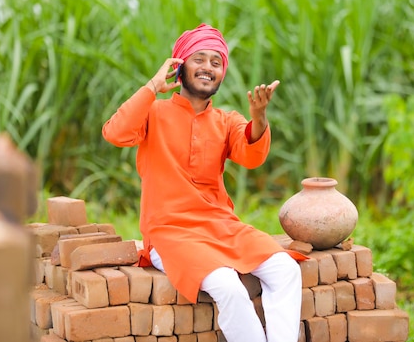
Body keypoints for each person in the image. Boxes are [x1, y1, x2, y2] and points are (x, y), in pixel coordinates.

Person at [102, 23, 306, 342]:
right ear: (179, 66)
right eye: (199, 59)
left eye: (216, 62)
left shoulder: (227, 120)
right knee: (228, 285)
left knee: (287, 270)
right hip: (169, 232)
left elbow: (251, 156)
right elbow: (115, 133)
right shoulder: (153, 113)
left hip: (220, 226)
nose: (208, 67)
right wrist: (152, 86)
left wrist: (260, 117)